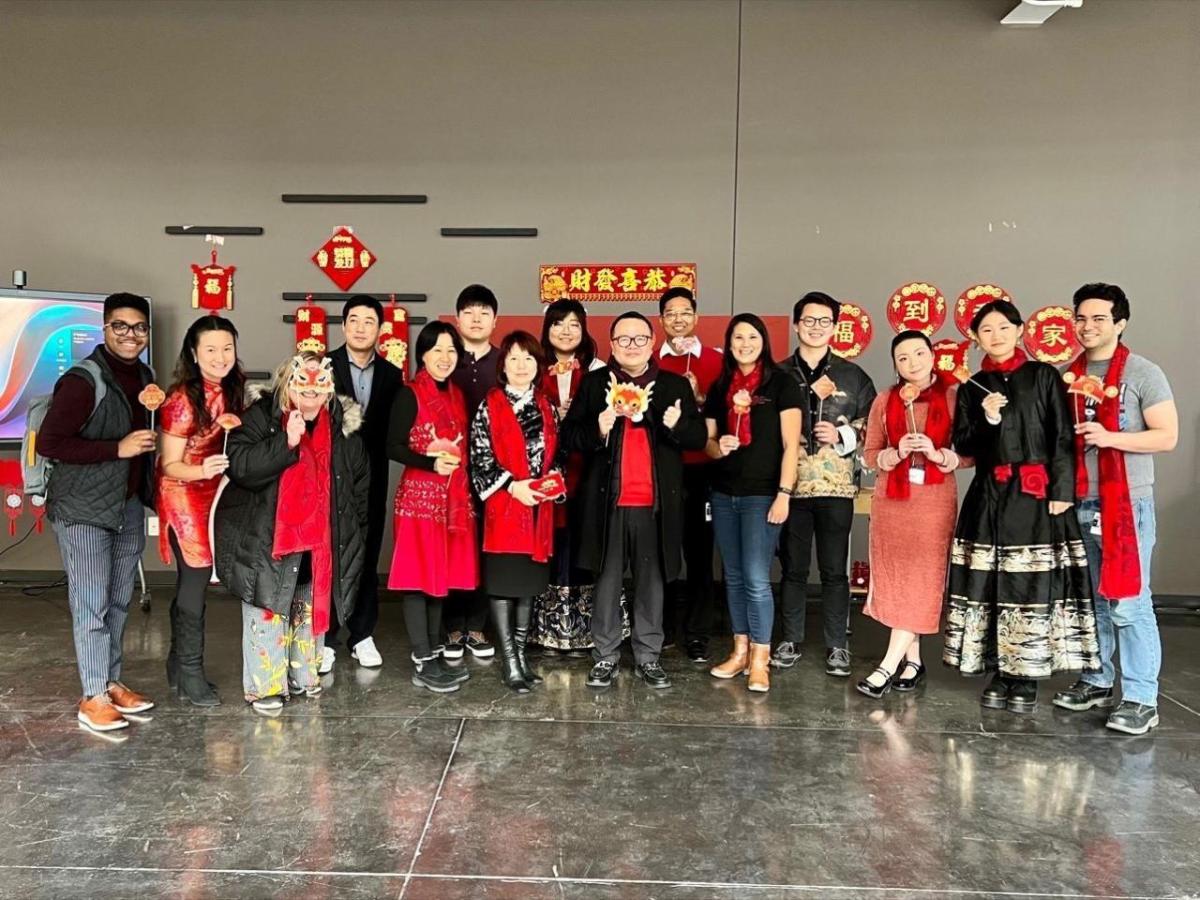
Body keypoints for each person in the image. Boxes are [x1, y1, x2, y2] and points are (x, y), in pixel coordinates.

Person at [943, 301, 1099, 713]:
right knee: (992, 583)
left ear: (1019, 330)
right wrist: (986, 419)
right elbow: (963, 446)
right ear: (976, 338)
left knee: (1028, 582)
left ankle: (1026, 674)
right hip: (989, 497)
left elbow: (1063, 437)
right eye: (986, 330)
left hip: (1036, 495)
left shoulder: (1043, 376)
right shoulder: (973, 385)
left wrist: (1062, 491)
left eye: (1003, 327)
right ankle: (998, 669)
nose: (995, 335)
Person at [1052, 283, 1177, 735]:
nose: (1087, 327)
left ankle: (1142, 697)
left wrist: (1112, 438)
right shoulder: (1068, 374)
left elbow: (1166, 436)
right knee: (1092, 600)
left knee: (1129, 600)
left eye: (1098, 319)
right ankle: (1098, 679)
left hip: (1128, 503)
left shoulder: (1142, 373)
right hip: (1082, 501)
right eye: (1081, 318)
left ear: (1120, 323)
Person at [214, 352, 369, 715]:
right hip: (268, 539)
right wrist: (286, 441)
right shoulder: (260, 418)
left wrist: (352, 531)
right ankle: (266, 687)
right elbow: (241, 467)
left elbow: (358, 486)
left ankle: (303, 678)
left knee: (307, 614)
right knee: (268, 612)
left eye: (320, 389)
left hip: (320, 542)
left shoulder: (342, 429)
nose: (311, 396)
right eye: (303, 387)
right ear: (286, 385)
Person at [561, 312, 707, 690]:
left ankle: (648, 656)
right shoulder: (595, 384)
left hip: (655, 505)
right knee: (606, 582)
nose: (632, 346)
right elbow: (569, 436)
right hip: (608, 504)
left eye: (640, 339)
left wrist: (676, 424)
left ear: (652, 343)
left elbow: (695, 439)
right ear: (611, 345)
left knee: (652, 584)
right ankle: (605, 656)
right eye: (623, 340)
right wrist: (600, 426)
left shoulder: (673, 385)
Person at [39, 292, 158, 733]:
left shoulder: (144, 376)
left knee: (117, 599)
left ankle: (109, 681)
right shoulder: (82, 380)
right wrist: (118, 448)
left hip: (125, 505)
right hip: (83, 508)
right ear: (105, 329)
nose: (131, 335)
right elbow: (52, 443)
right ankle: (92, 696)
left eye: (139, 327)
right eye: (121, 326)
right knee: (90, 601)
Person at [858, 331, 967, 698]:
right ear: (895, 365)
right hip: (892, 501)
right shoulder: (885, 400)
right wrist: (897, 451)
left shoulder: (954, 396)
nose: (912, 363)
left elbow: (969, 454)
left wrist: (938, 454)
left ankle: (887, 665)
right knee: (898, 578)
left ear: (933, 355)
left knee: (922, 578)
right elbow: (870, 454)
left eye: (919, 353)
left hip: (933, 502)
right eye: (903, 358)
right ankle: (914, 661)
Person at [774, 291, 877, 677]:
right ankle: (790, 639)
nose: (816, 327)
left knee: (835, 570)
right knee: (793, 569)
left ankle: (837, 645)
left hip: (835, 487)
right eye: (809, 320)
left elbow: (873, 428)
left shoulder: (853, 376)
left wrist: (841, 434)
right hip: (791, 487)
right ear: (797, 324)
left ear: (835, 327)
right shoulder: (779, 373)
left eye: (824, 321)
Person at [704, 314, 803, 693]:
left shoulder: (781, 384)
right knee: (732, 576)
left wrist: (784, 493)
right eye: (737, 338)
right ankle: (740, 651)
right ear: (729, 345)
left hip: (764, 495)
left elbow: (792, 445)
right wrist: (719, 446)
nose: (744, 343)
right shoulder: (720, 387)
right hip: (725, 493)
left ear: (763, 341)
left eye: (752, 336)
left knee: (757, 578)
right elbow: (710, 443)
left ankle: (762, 657)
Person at [156, 314, 246, 707]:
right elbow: (168, 464)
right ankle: (190, 672)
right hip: (183, 493)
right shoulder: (180, 399)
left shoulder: (233, 390)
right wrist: (200, 469)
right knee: (194, 576)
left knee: (194, 580)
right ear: (194, 353)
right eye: (211, 349)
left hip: (215, 492)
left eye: (227, 348)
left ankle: (178, 666)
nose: (220, 357)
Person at [469, 331, 565, 692]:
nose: (521, 366)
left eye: (528, 359)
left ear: (538, 366)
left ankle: (523, 657)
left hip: (538, 510)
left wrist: (553, 481)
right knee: (503, 585)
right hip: (504, 507)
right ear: (503, 366)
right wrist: (513, 486)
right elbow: (479, 459)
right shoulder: (488, 405)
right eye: (514, 359)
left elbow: (558, 455)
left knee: (528, 587)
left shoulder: (546, 405)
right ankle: (510, 661)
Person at [388, 322, 480, 693]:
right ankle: (422, 658)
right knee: (417, 576)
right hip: (419, 500)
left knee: (440, 575)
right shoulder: (409, 393)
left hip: (453, 499)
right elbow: (392, 447)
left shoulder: (458, 395)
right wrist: (430, 462)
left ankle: (434, 650)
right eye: (437, 350)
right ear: (422, 354)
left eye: (451, 351)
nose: (445, 358)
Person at [324, 294, 404, 672]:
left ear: (380, 329)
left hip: (371, 476)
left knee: (368, 553)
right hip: (328, 474)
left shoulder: (391, 375)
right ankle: (325, 635)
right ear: (343, 326)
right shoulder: (323, 367)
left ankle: (361, 634)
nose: (360, 327)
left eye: (368, 321)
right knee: (329, 553)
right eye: (353, 320)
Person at [531, 299, 608, 657]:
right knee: (549, 546)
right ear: (547, 329)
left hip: (589, 471)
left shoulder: (601, 371)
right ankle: (545, 632)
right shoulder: (531, 367)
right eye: (559, 323)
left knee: (583, 545)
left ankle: (582, 634)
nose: (566, 331)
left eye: (574, 324)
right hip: (541, 473)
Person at [657, 286, 723, 663]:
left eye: (685, 312)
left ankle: (698, 634)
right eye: (670, 313)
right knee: (663, 555)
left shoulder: (715, 362)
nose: (678, 319)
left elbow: (728, 415)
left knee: (699, 557)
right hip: (663, 473)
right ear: (662, 320)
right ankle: (662, 628)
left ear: (696, 318)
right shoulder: (651, 360)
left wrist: (699, 399)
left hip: (703, 471)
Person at [445, 284, 500, 660]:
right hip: (450, 473)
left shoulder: (506, 360)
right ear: (457, 318)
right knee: (452, 544)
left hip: (496, 474)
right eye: (469, 311)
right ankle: (451, 626)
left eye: (484, 311)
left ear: (495, 319)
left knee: (486, 546)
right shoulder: (445, 359)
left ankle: (478, 625)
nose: (476, 318)